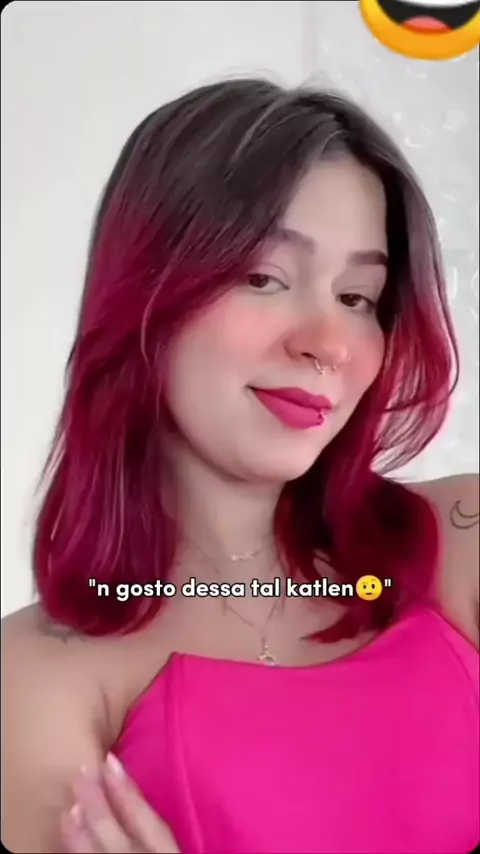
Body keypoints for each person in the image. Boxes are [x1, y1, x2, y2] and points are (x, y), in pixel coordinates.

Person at [1, 77, 478, 854]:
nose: (328, 344)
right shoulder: (32, 678)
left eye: (359, 297)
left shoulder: (464, 541)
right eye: (264, 278)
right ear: (146, 296)